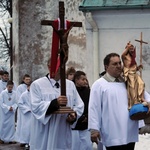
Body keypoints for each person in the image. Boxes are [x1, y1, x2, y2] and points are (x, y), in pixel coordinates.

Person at [88, 53, 150, 150]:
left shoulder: (128, 82)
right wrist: (94, 129)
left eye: (119, 63)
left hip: (129, 131)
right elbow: (94, 108)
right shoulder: (99, 85)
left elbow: (143, 94)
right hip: (111, 133)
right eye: (114, 64)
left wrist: (148, 102)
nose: (118, 66)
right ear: (106, 67)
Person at [29, 58, 84, 150]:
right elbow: (35, 106)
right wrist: (55, 103)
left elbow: (79, 104)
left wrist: (73, 115)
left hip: (63, 130)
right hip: (45, 132)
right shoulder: (37, 84)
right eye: (58, 67)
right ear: (49, 67)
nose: (60, 70)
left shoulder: (70, 85)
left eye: (62, 67)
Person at [121, 42, 147, 109]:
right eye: (130, 48)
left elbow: (134, 68)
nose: (132, 49)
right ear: (127, 49)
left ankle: (141, 98)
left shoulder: (133, 58)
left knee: (141, 83)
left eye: (132, 48)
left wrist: (139, 67)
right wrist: (127, 47)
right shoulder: (125, 57)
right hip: (130, 74)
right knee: (132, 88)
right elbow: (122, 54)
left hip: (135, 74)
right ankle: (134, 103)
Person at [72, 71, 92, 150]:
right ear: (76, 80)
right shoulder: (72, 91)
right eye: (82, 79)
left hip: (85, 125)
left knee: (87, 146)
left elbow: (92, 106)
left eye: (85, 79)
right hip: (74, 126)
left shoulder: (88, 92)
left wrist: (87, 116)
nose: (85, 81)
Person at [15, 74, 31, 146]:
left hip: (31, 111)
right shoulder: (20, 88)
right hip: (23, 111)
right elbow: (19, 100)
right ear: (23, 80)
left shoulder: (33, 88)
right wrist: (26, 108)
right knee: (23, 125)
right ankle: (22, 140)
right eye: (26, 79)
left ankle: (29, 141)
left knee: (30, 126)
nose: (28, 81)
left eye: (29, 79)